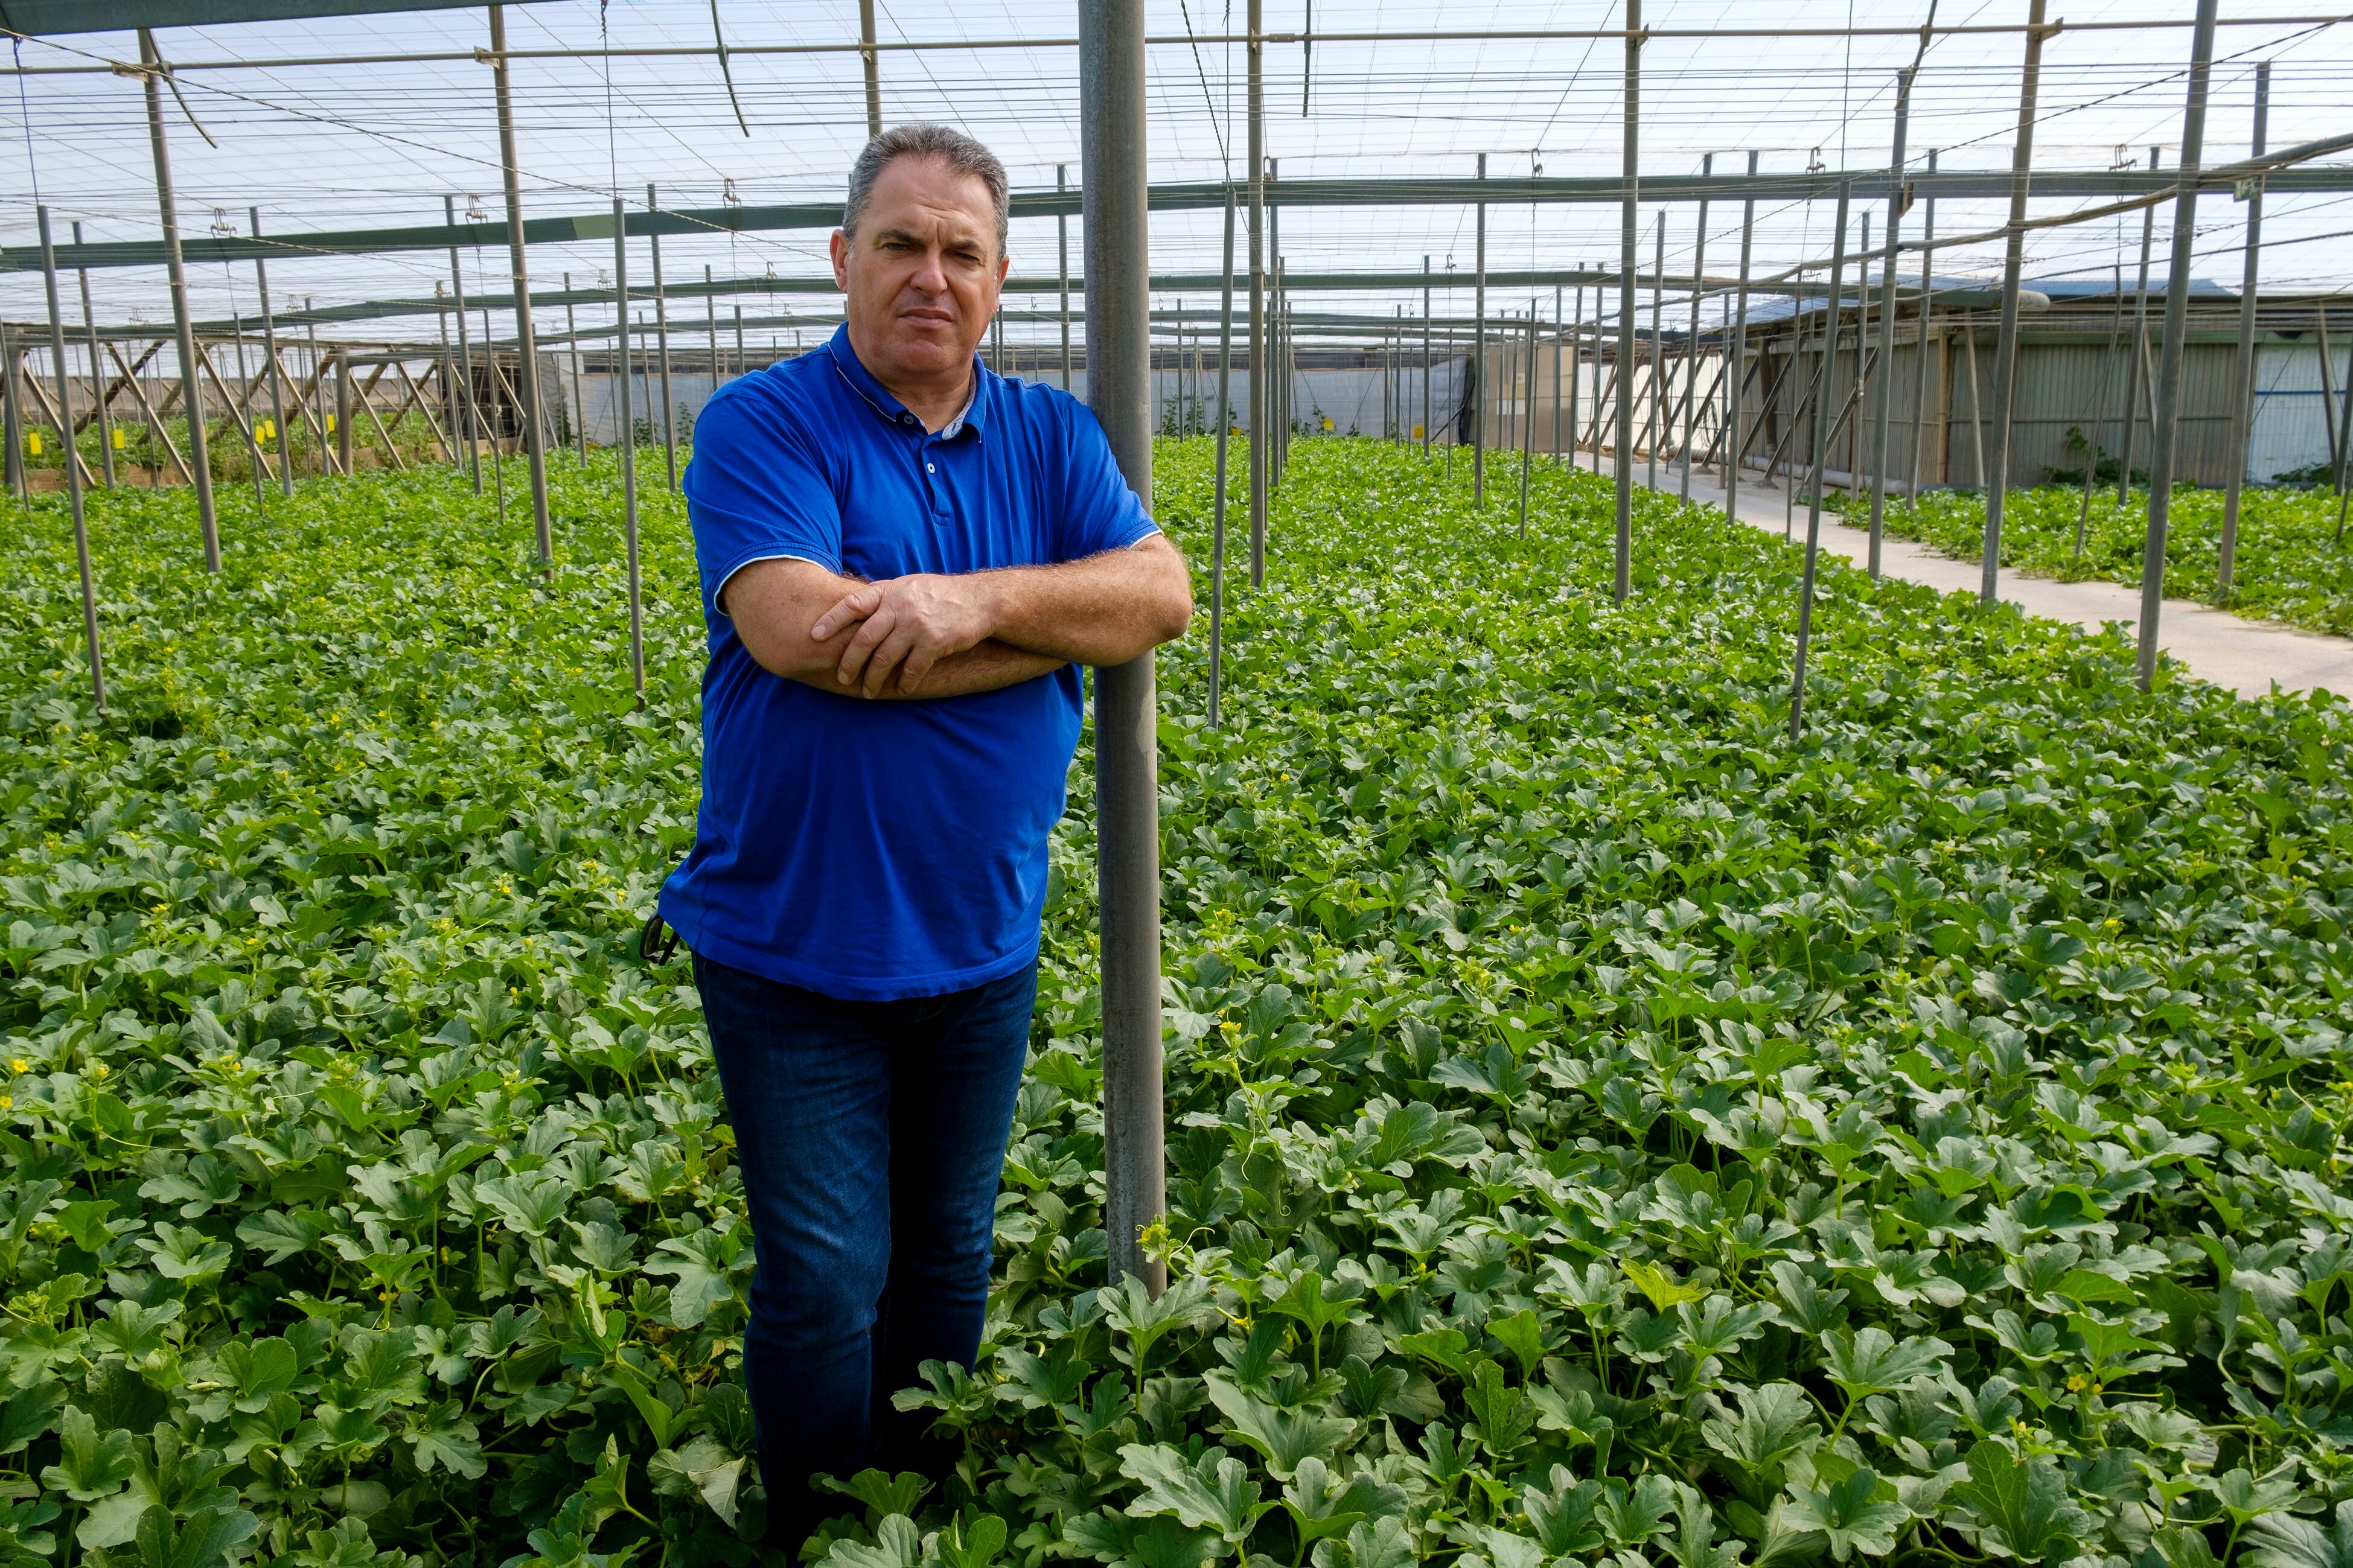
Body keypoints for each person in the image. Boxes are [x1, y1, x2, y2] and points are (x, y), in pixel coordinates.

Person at [655, 123, 1192, 1552]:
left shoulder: (1053, 437)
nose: (928, 276)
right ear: (843, 258)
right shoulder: (762, 424)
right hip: (792, 950)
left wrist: (957, 603)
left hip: (979, 939)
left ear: (1000, 279)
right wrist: (1045, 628)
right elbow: (801, 635)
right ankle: (818, 1528)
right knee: (826, 1276)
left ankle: (917, 1499)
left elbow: (1158, 596)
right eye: (899, 242)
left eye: (961, 251)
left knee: (949, 1254)